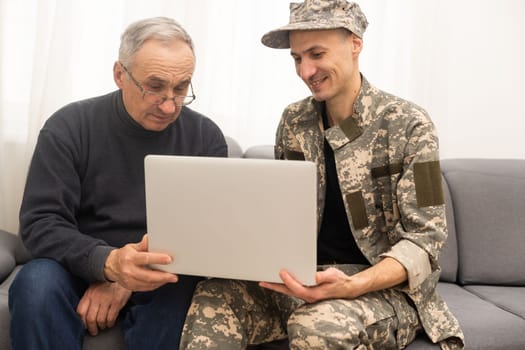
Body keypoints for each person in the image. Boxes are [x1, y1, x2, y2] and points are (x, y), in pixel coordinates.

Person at [180, 1, 465, 349]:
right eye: (297, 58)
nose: (305, 71)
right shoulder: (293, 122)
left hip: (383, 292)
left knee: (318, 324)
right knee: (212, 295)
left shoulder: (409, 125)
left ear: (355, 43)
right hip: (302, 282)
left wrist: (351, 286)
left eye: (316, 53)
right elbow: (282, 220)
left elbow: (426, 241)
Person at [8, 17, 227, 350]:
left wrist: (128, 280)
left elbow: (204, 233)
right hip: (78, 265)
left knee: (182, 289)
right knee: (35, 283)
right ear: (120, 74)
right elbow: (40, 224)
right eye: (155, 86)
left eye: (181, 88)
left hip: (164, 274)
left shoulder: (205, 138)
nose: (169, 105)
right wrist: (108, 266)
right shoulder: (69, 127)